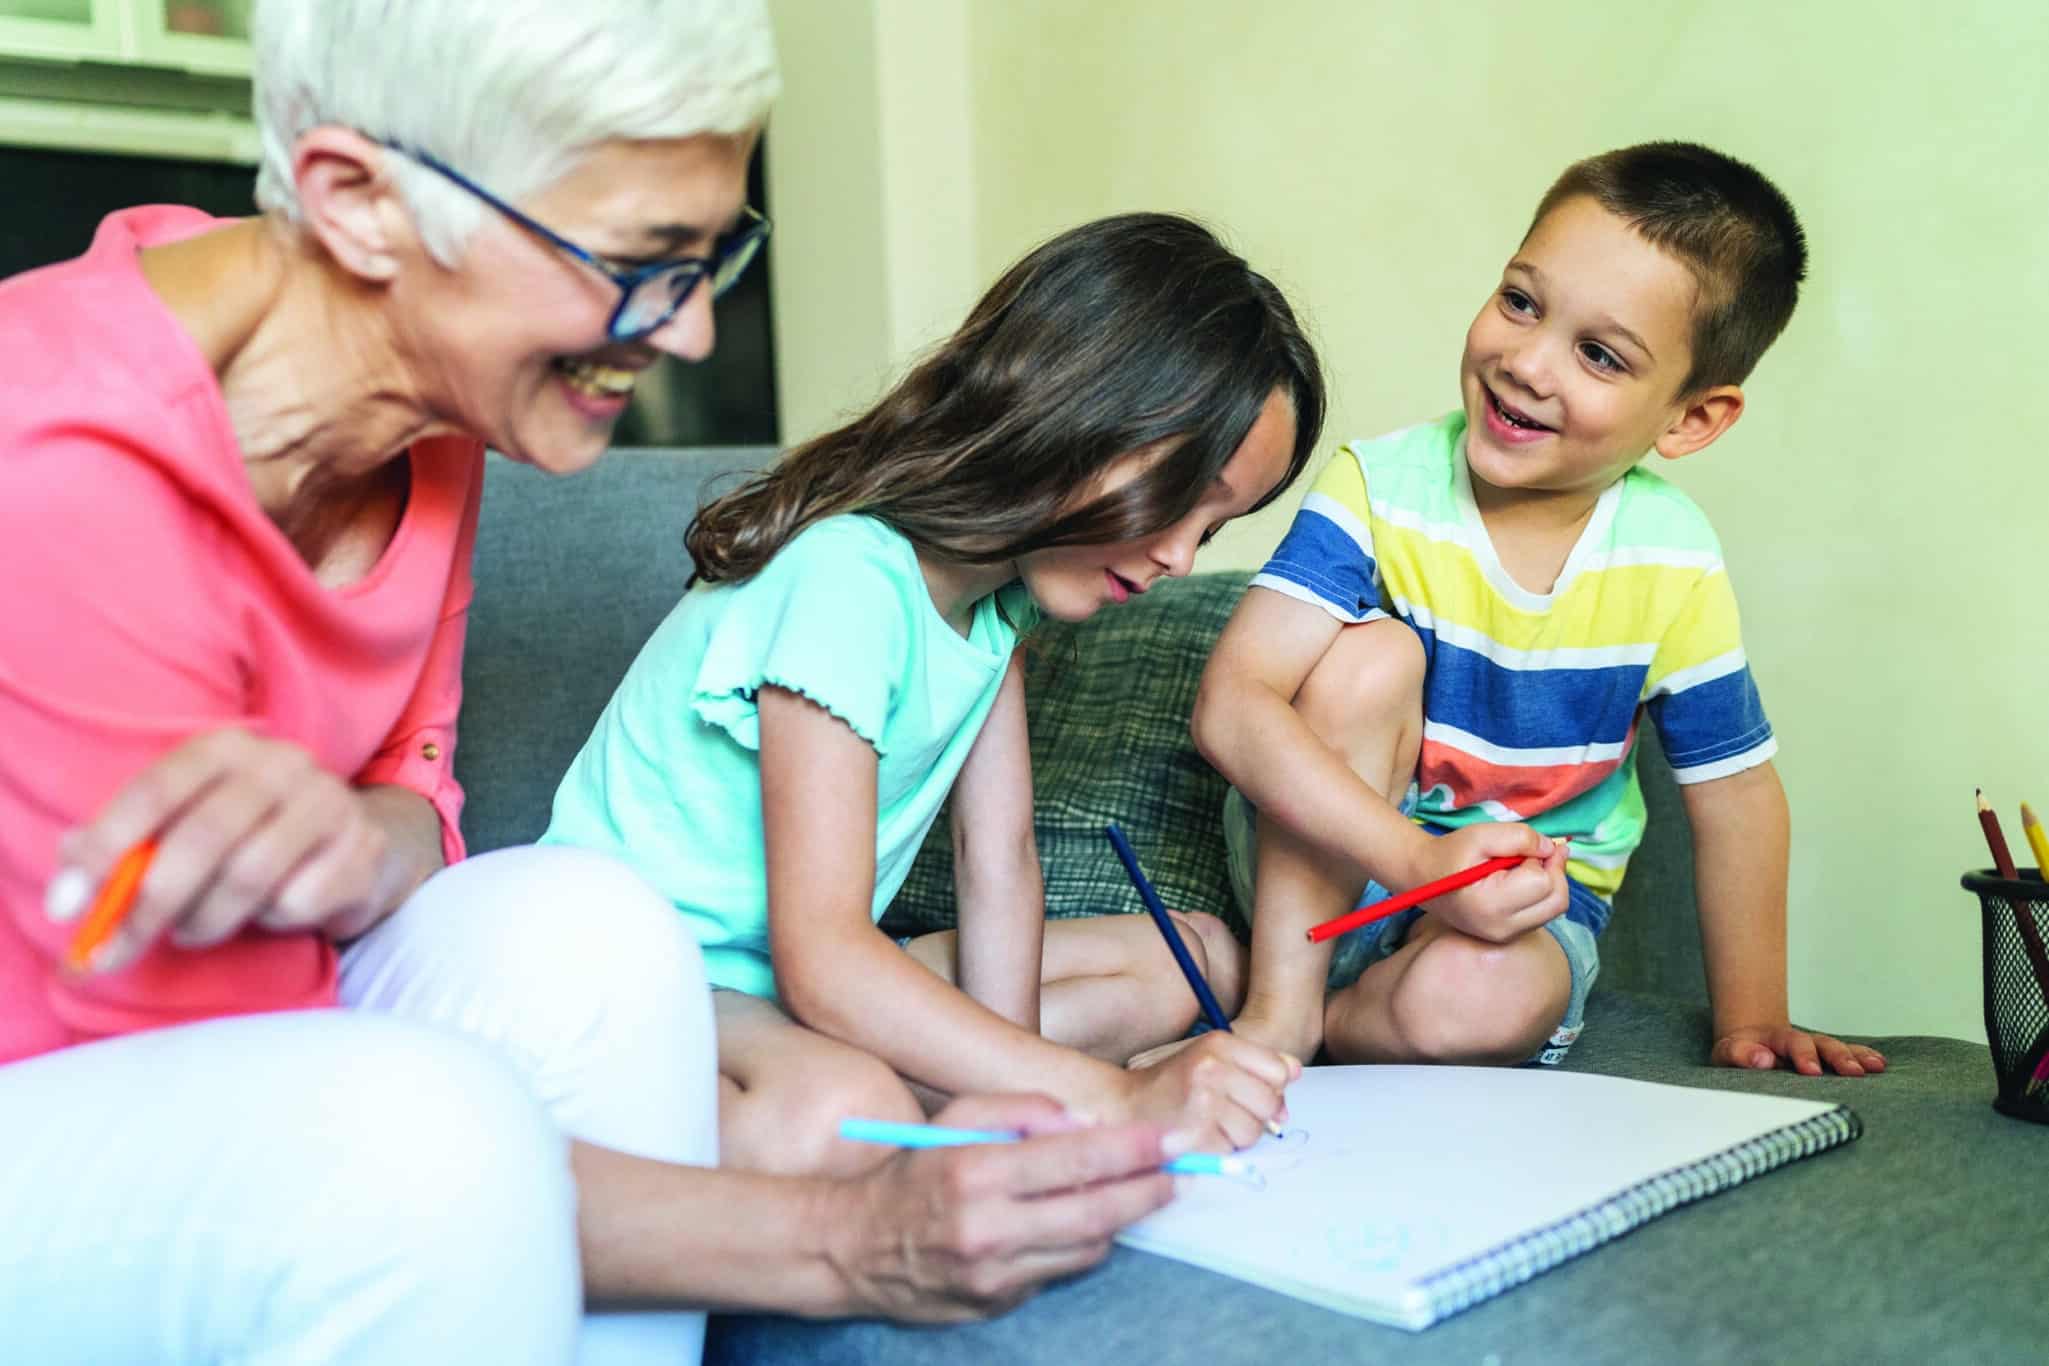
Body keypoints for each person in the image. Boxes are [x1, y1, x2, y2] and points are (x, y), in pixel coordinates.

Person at [0, 3, 1216, 1362]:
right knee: (416, 1138)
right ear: (358, 205)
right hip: (53, 1089)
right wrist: (858, 1237)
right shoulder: (54, 462)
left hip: (239, 1034)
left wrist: (344, 841)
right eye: (641, 261)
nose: (692, 333)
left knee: (582, 920)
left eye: (710, 258)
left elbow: (420, 806)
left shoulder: (426, 414)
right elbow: (238, 1090)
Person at [544, 214, 1323, 1176]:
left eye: (1214, 528)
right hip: (651, 985)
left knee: (1200, 955)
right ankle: (846, 1107)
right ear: (1076, 405)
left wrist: (1018, 1100)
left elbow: (996, 861)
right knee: (839, 1110)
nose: (1177, 556)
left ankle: (916, 1103)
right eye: (1180, 495)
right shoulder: (844, 579)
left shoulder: (996, 613)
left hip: (779, 994)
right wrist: (1109, 1093)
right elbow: (823, 957)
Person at [1186, 141, 1889, 1079]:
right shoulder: (1378, 486)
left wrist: (1752, 1017)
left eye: (1599, 355)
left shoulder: (1670, 558)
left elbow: (1735, 794)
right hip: (1324, 882)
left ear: (1689, 419)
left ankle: (1327, 1024)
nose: (1526, 362)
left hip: (1506, 919)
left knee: (1482, 1002)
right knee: (1372, 658)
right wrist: (1415, 864)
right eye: (1520, 301)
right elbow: (1233, 703)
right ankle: (1278, 1005)